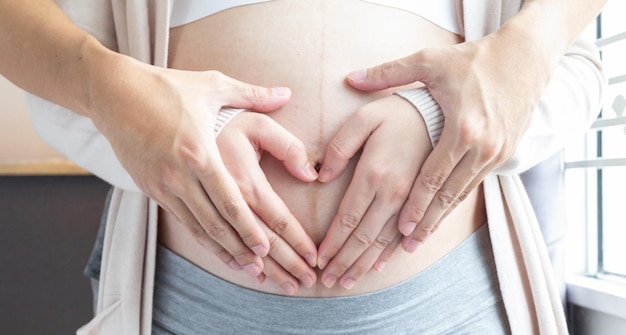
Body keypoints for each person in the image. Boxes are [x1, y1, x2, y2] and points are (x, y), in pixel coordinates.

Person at [0, 0, 605, 334]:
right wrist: (130, 107)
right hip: (185, 305)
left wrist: (440, 118)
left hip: (453, 305)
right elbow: (49, 64)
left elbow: (576, 70)